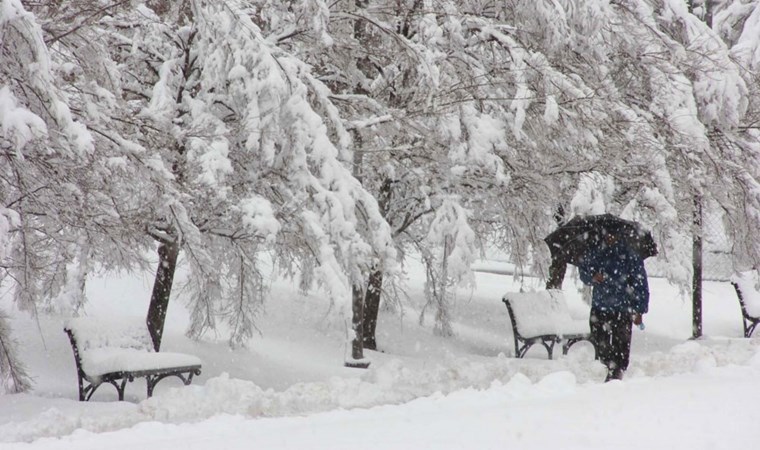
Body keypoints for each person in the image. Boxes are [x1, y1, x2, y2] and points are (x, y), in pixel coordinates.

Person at [578, 231, 649, 382]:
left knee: (621, 343)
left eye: (613, 234)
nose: (609, 237)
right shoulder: (596, 251)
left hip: (622, 308)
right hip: (600, 306)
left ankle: (617, 370)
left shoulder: (629, 254)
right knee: (600, 338)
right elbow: (584, 270)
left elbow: (640, 283)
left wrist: (639, 309)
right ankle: (610, 365)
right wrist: (592, 276)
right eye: (607, 234)